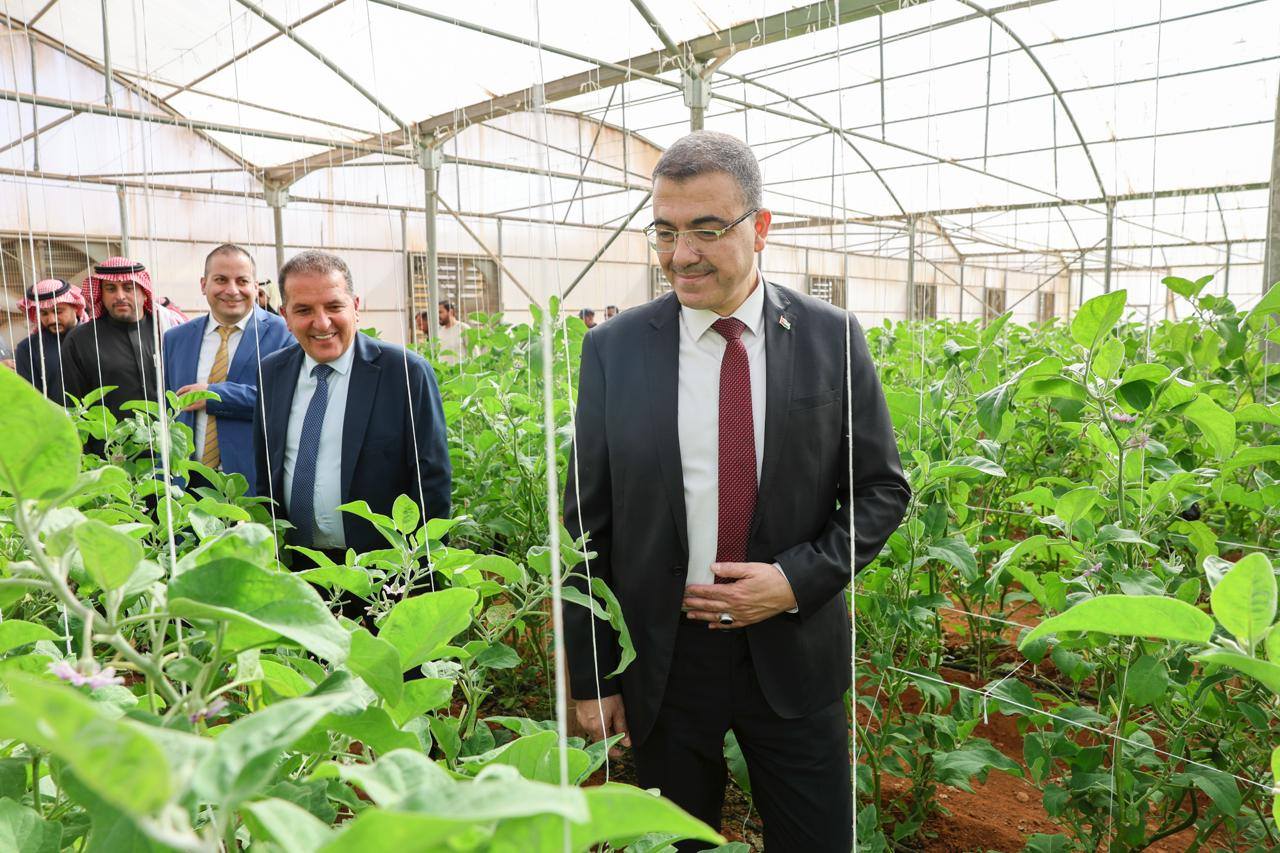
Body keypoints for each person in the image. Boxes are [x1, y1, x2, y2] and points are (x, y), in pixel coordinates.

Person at [563, 130, 910, 852]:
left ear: (761, 227)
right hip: (663, 658)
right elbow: (585, 527)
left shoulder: (831, 337)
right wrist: (593, 675)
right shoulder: (614, 350)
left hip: (791, 651)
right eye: (665, 232)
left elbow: (879, 490)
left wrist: (793, 580)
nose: (681, 254)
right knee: (675, 840)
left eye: (707, 229)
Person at [253, 250, 451, 564]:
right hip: (296, 566)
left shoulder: (404, 373)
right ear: (285, 316)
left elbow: (432, 480)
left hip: (381, 570)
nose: (322, 322)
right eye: (303, 310)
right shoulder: (272, 372)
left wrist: (420, 570)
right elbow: (266, 470)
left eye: (334, 306)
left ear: (355, 307)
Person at [164, 244, 293, 489]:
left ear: (255, 286)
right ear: (204, 285)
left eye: (242, 281)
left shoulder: (283, 333)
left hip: (252, 483)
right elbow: (169, 409)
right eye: (221, 280)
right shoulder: (176, 339)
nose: (232, 290)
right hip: (186, 484)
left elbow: (285, 401)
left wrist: (214, 395)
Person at [61, 257, 166, 416]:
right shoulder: (80, 340)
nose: (120, 296)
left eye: (128, 288)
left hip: (166, 431)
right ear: (101, 295)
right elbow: (72, 405)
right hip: (109, 433)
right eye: (111, 289)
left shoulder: (165, 330)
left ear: (145, 293)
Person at [14, 278, 87, 403]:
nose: (52, 320)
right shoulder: (27, 348)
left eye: (58, 311)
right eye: (44, 314)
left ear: (75, 307)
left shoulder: (95, 337)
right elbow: (30, 399)